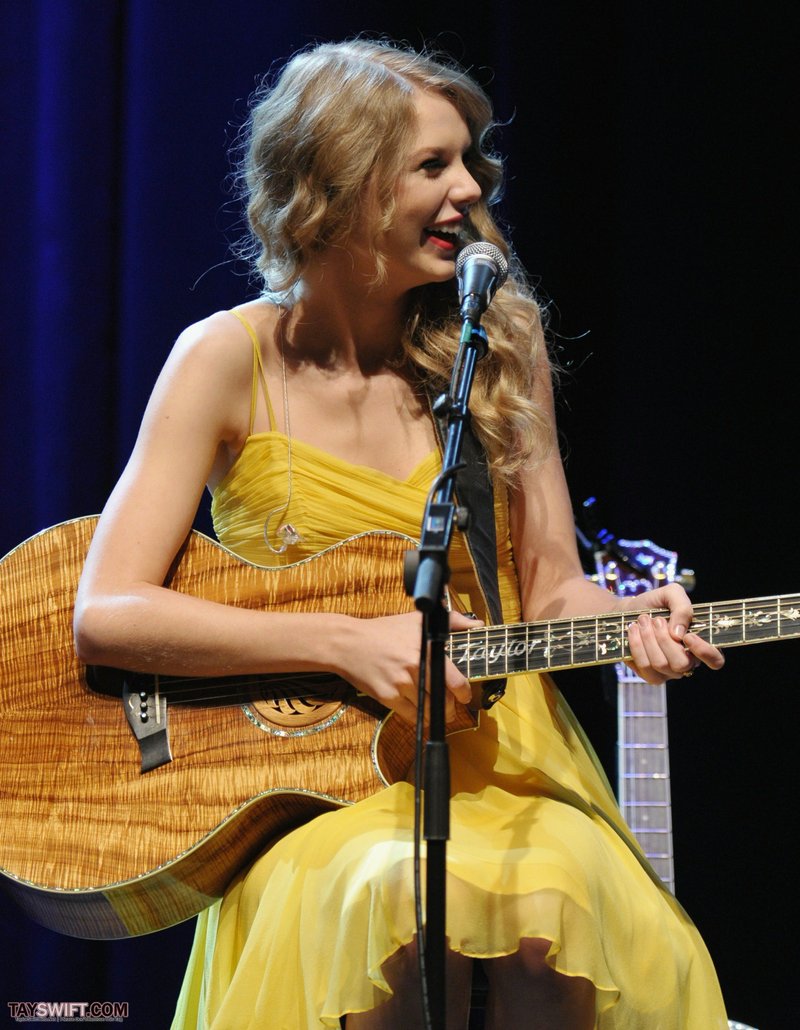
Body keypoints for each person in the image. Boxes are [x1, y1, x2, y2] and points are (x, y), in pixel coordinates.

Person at [73, 38, 729, 1030]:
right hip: (310, 793)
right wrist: (348, 641)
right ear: (331, 187)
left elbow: (549, 588)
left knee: (564, 896)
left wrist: (627, 615)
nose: (468, 189)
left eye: (468, 162)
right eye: (432, 165)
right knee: (383, 891)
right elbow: (106, 613)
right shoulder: (223, 358)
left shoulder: (501, 349)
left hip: (498, 762)